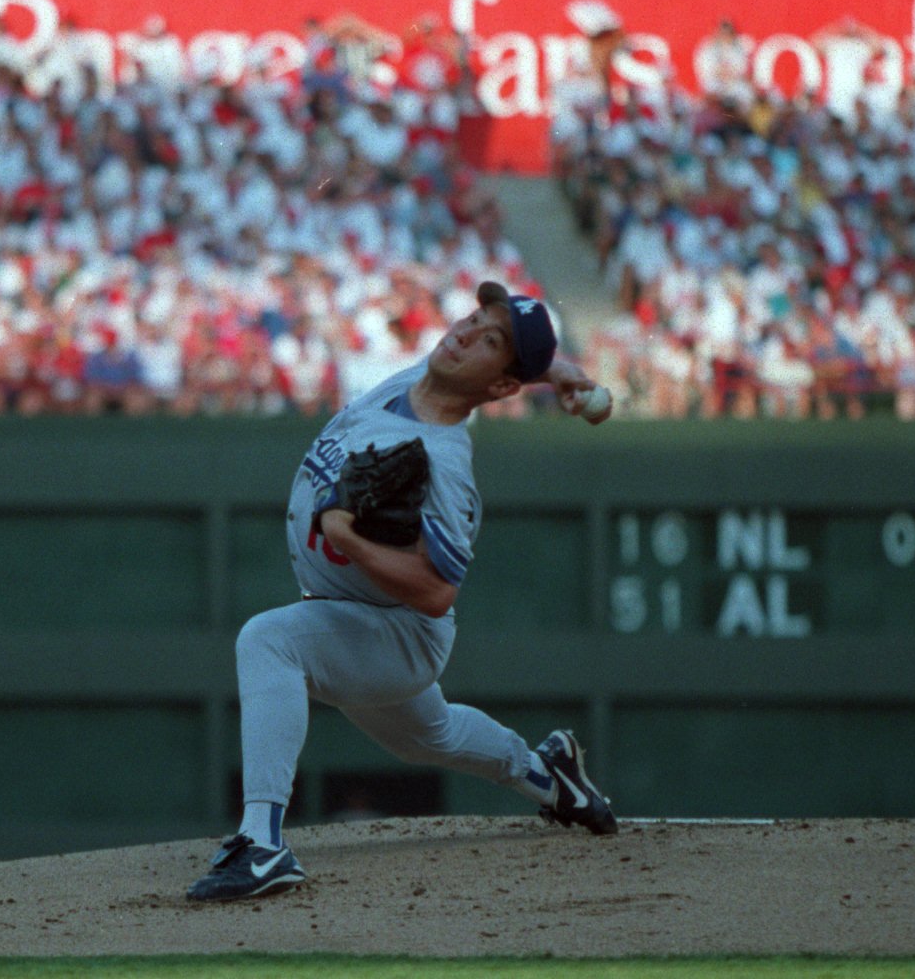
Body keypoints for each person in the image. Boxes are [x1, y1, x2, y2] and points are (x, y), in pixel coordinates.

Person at [186, 281, 619, 904]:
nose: (466, 333)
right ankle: (551, 779)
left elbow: (438, 590)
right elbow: (494, 363)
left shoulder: (444, 463)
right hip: (356, 616)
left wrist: (350, 540)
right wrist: (559, 369)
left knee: (269, 642)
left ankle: (261, 845)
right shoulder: (424, 378)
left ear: (498, 387)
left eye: (490, 338)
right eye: (475, 318)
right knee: (429, 734)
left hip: (397, 629)